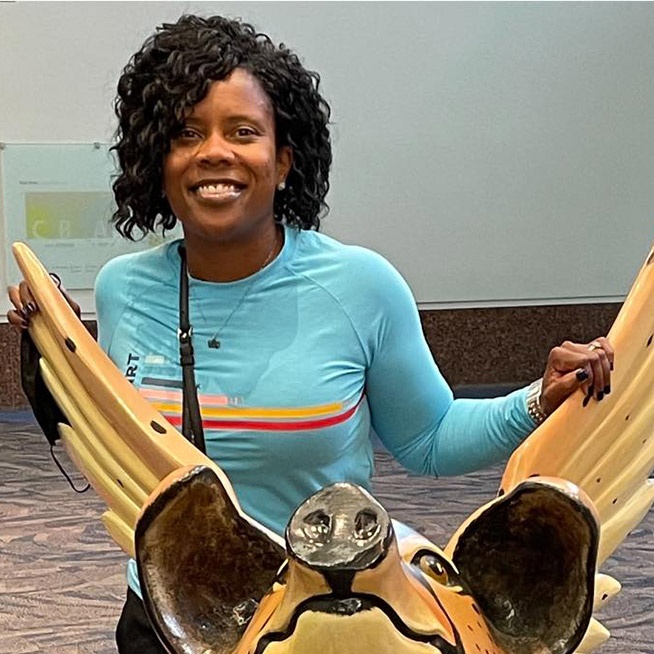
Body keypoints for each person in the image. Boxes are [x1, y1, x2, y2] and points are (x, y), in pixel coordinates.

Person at [6, 14, 614, 654]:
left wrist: (538, 399)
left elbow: (429, 440)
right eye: (187, 133)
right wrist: (58, 352)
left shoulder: (360, 286)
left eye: (243, 132)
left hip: (315, 620)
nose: (214, 152)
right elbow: (122, 450)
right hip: (171, 615)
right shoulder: (122, 289)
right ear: (159, 160)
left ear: (283, 161)